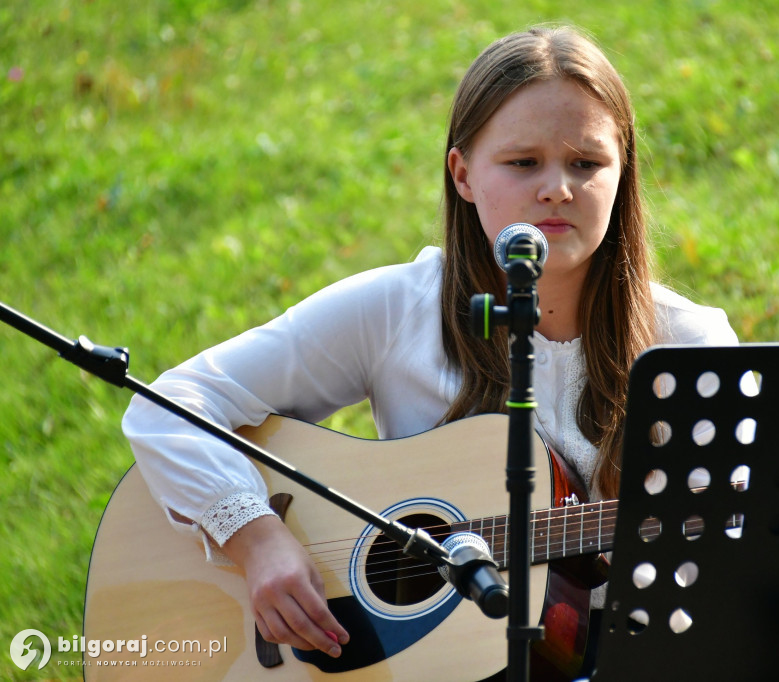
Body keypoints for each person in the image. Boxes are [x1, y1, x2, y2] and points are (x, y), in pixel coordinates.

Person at [121, 23, 738, 673]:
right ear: (463, 174)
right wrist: (257, 538)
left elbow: (736, 538)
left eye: (586, 163)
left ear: (623, 172)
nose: (557, 187)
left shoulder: (689, 344)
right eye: (524, 162)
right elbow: (172, 402)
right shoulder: (395, 310)